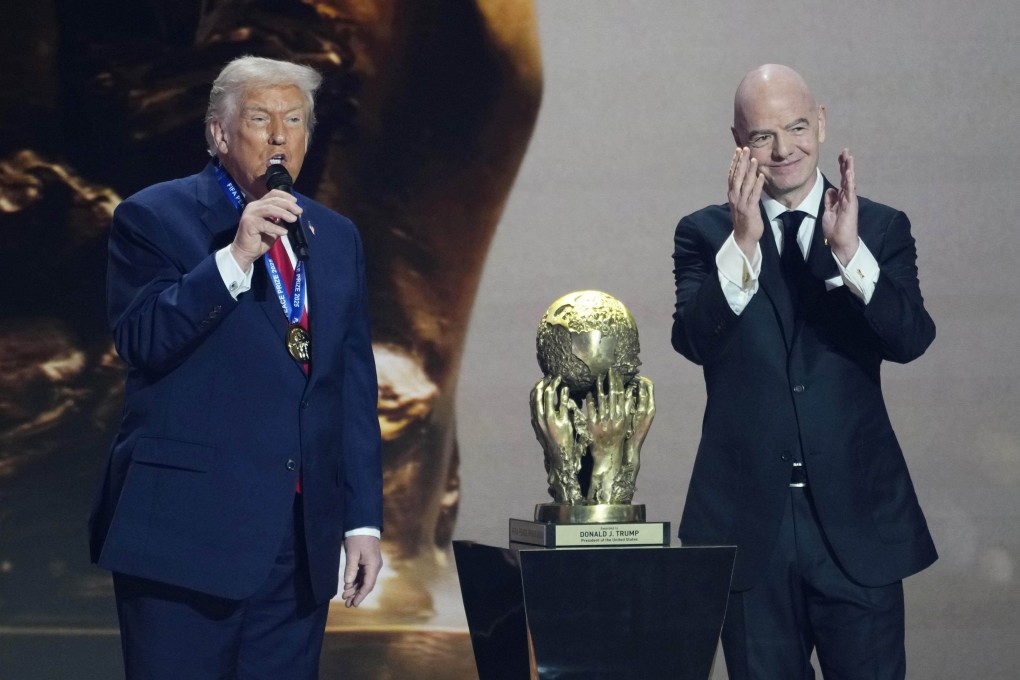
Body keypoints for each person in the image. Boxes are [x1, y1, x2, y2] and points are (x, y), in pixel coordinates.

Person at [88, 55, 383, 679]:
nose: (280, 135)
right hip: (185, 536)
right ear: (220, 135)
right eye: (260, 118)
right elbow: (142, 339)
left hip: (298, 545)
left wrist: (361, 521)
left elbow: (350, 389)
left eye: (295, 120)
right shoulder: (153, 217)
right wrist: (236, 256)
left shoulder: (336, 237)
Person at [671, 64, 936, 679]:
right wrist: (743, 243)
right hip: (749, 526)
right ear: (738, 141)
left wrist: (850, 256)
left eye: (796, 128)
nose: (784, 149)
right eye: (763, 136)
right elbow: (693, 339)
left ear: (820, 123)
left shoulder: (880, 227)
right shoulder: (705, 234)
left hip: (856, 526)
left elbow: (912, 339)